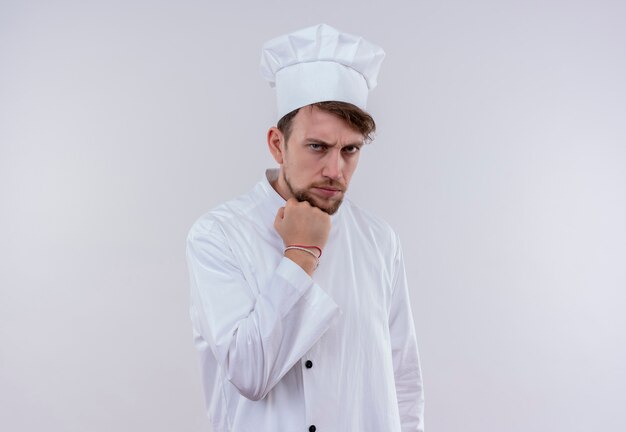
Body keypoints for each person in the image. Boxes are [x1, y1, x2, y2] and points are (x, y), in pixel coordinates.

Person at [186, 23, 424, 432]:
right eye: (317, 147)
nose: (336, 170)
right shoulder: (218, 236)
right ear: (278, 144)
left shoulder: (380, 240)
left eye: (350, 150)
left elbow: (404, 379)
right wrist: (301, 254)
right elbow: (250, 374)